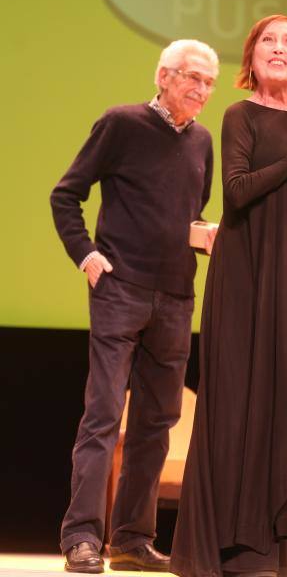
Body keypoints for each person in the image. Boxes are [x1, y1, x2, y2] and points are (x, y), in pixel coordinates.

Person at [170, 14, 287, 577]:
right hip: (247, 286)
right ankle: (241, 548)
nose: (279, 49)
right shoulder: (239, 115)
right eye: (268, 42)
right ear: (251, 60)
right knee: (242, 401)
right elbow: (236, 192)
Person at [50, 39, 219, 574]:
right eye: (192, 77)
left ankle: (130, 539)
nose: (201, 90)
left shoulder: (204, 142)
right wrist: (86, 254)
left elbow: (189, 210)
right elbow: (66, 194)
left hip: (176, 295)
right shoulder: (120, 123)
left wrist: (205, 237)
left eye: (210, 82)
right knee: (103, 415)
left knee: (157, 421)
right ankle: (81, 536)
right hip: (120, 289)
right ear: (164, 75)